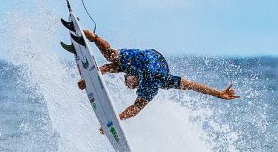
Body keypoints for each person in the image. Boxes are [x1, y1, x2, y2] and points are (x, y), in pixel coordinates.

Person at [76, 29, 239, 121]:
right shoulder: (137, 69)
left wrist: (118, 118)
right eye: (128, 82)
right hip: (147, 56)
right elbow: (106, 68)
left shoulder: (152, 84)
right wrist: (89, 78)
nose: (128, 85)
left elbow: (136, 108)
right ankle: (94, 37)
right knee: (112, 57)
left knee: (114, 61)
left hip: (155, 61)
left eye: (129, 85)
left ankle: (95, 38)